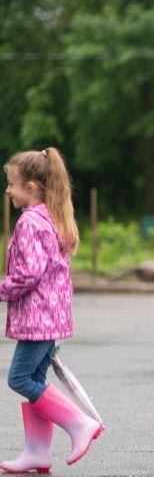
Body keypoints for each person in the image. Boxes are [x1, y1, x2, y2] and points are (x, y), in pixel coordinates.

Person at [0, 148, 103, 473]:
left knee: (19, 378)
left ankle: (79, 424)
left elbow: (29, 273)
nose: (8, 190)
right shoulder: (53, 217)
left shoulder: (31, 221)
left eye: (12, 184)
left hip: (38, 319)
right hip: (53, 317)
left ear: (31, 187)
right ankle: (36, 453)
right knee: (34, 379)